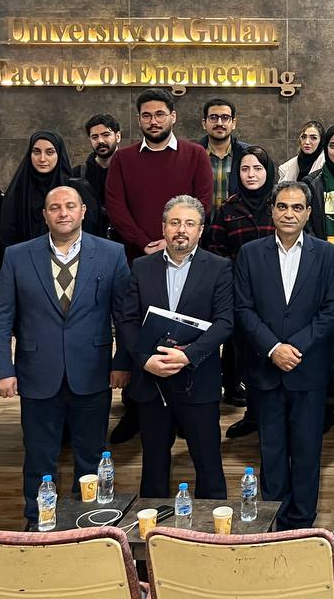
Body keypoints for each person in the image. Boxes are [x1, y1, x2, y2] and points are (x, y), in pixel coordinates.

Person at [0, 185, 132, 524]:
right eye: (55, 207)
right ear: (45, 215)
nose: (63, 212)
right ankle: (38, 524)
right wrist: (1, 369)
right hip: (37, 374)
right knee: (39, 458)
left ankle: (89, 523)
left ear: (83, 211)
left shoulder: (111, 254)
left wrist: (123, 360)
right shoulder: (17, 256)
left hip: (92, 373)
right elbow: (0, 317)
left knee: (91, 458)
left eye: (70, 206)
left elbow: (125, 315)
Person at [234, 181, 334, 530]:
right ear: (272, 210)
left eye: (297, 208)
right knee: (272, 450)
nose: (289, 214)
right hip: (266, 369)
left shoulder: (326, 254)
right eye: (282, 206)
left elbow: (331, 309)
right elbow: (243, 309)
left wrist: (294, 347)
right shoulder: (250, 253)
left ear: (309, 213)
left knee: (307, 450)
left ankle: (301, 521)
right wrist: (273, 348)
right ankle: (274, 520)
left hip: (307, 369)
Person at [118, 196, 233, 499]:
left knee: (208, 464)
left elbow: (225, 323)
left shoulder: (219, 268)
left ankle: (211, 527)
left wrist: (187, 356)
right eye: (175, 222)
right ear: (163, 228)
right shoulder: (141, 267)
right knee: (154, 465)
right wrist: (144, 360)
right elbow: (127, 321)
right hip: (151, 382)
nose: (181, 229)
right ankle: (152, 526)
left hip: (198, 381)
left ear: (200, 230)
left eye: (189, 223)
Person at [204, 145, 278, 437]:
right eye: (245, 169)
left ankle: (274, 417)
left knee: (274, 353)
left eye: (257, 168)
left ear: (267, 171)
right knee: (247, 358)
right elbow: (216, 251)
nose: (251, 175)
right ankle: (253, 416)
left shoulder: (280, 204)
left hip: (279, 293)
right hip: (241, 295)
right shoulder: (227, 209)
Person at [106, 88, 213, 260]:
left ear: (173, 117)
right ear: (139, 120)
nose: (153, 121)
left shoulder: (196, 154)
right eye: (146, 116)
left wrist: (172, 241)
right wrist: (144, 243)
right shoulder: (122, 158)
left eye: (160, 114)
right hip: (136, 255)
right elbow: (116, 208)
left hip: (185, 252)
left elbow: (203, 204)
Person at [0, 131, 102, 248]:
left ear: (59, 154)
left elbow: (93, 233)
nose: (42, 158)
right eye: (36, 152)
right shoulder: (18, 191)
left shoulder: (78, 189)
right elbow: (7, 236)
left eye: (50, 152)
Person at [197, 98, 253, 212]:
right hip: (200, 222)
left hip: (238, 221)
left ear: (233, 123)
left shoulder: (249, 155)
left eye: (225, 118)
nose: (219, 123)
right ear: (204, 123)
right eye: (213, 117)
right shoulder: (192, 155)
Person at [73, 114, 121, 234]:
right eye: (95, 137)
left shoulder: (132, 171)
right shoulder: (77, 174)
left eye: (106, 135)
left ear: (118, 136)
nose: (100, 141)